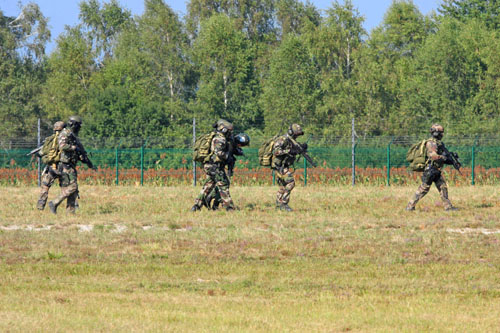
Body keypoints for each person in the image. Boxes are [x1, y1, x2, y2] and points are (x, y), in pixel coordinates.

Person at [406, 124, 458, 211]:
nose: (442, 135)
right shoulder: (431, 143)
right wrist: (443, 157)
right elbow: (433, 156)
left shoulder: (438, 143)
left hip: (436, 170)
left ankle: (448, 207)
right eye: (441, 133)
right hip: (430, 170)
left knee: (443, 187)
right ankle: (410, 206)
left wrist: (450, 159)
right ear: (436, 133)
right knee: (423, 189)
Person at [48, 115, 95, 214]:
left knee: (74, 190)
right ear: (73, 124)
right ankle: (54, 202)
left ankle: (70, 212)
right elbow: (62, 146)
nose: (79, 128)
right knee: (72, 187)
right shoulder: (65, 133)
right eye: (78, 125)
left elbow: (80, 153)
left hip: (71, 165)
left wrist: (86, 161)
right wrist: (74, 148)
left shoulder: (73, 136)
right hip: (65, 165)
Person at [191, 119, 236, 211]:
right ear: (223, 129)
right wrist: (228, 157)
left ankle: (197, 205)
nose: (229, 133)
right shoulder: (219, 139)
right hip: (214, 166)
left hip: (210, 166)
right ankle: (229, 207)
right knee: (223, 185)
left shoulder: (218, 137)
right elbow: (218, 152)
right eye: (228, 130)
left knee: (208, 185)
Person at [203, 133, 250, 210]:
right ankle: (212, 201)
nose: (241, 147)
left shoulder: (231, 144)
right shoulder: (230, 144)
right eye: (241, 145)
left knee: (218, 185)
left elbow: (235, 153)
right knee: (223, 185)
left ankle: (212, 202)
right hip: (216, 166)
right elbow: (226, 155)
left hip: (215, 166)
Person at [272, 123, 305, 212]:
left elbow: (294, 150)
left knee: (283, 186)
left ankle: (279, 205)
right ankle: (284, 203)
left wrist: (301, 148)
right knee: (290, 183)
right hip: (279, 166)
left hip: (283, 165)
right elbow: (276, 151)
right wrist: (289, 151)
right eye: (296, 134)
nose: (297, 136)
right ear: (291, 132)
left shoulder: (292, 141)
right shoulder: (283, 139)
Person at [36, 121, 65, 210]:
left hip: (52, 167)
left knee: (45, 186)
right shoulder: (67, 139)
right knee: (67, 188)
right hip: (64, 167)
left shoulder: (50, 139)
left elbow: (41, 153)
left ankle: (40, 206)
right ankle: (73, 206)